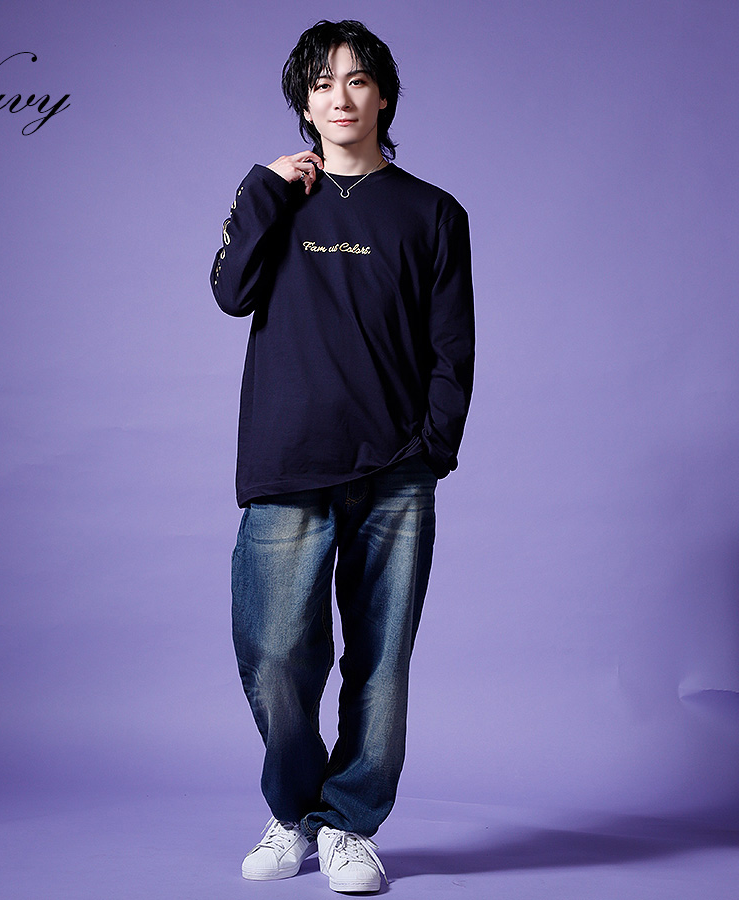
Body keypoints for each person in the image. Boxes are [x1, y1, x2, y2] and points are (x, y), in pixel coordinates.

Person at [210, 19, 475, 893]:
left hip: (395, 471)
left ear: (383, 96)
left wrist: (432, 449)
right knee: (275, 655)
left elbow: (453, 348)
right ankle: (294, 812)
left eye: (357, 80)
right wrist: (263, 189)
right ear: (304, 100)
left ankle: (349, 825)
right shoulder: (276, 199)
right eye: (322, 83)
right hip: (287, 462)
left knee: (379, 665)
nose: (340, 97)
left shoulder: (433, 212)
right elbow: (229, 292)